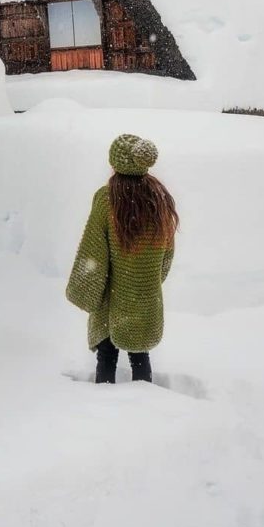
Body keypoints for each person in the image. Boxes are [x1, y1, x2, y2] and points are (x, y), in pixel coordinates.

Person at [66, 134, 178, 384]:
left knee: (107, 354)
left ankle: (102, 410)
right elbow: (167, 252)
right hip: (143, 295)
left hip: (111, 292)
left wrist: (88, 289)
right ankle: (145, 405)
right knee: (140, 354)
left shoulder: (107, 199)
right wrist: (146, 281)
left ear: (117, 163)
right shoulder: (159, 199)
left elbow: (93, 249)